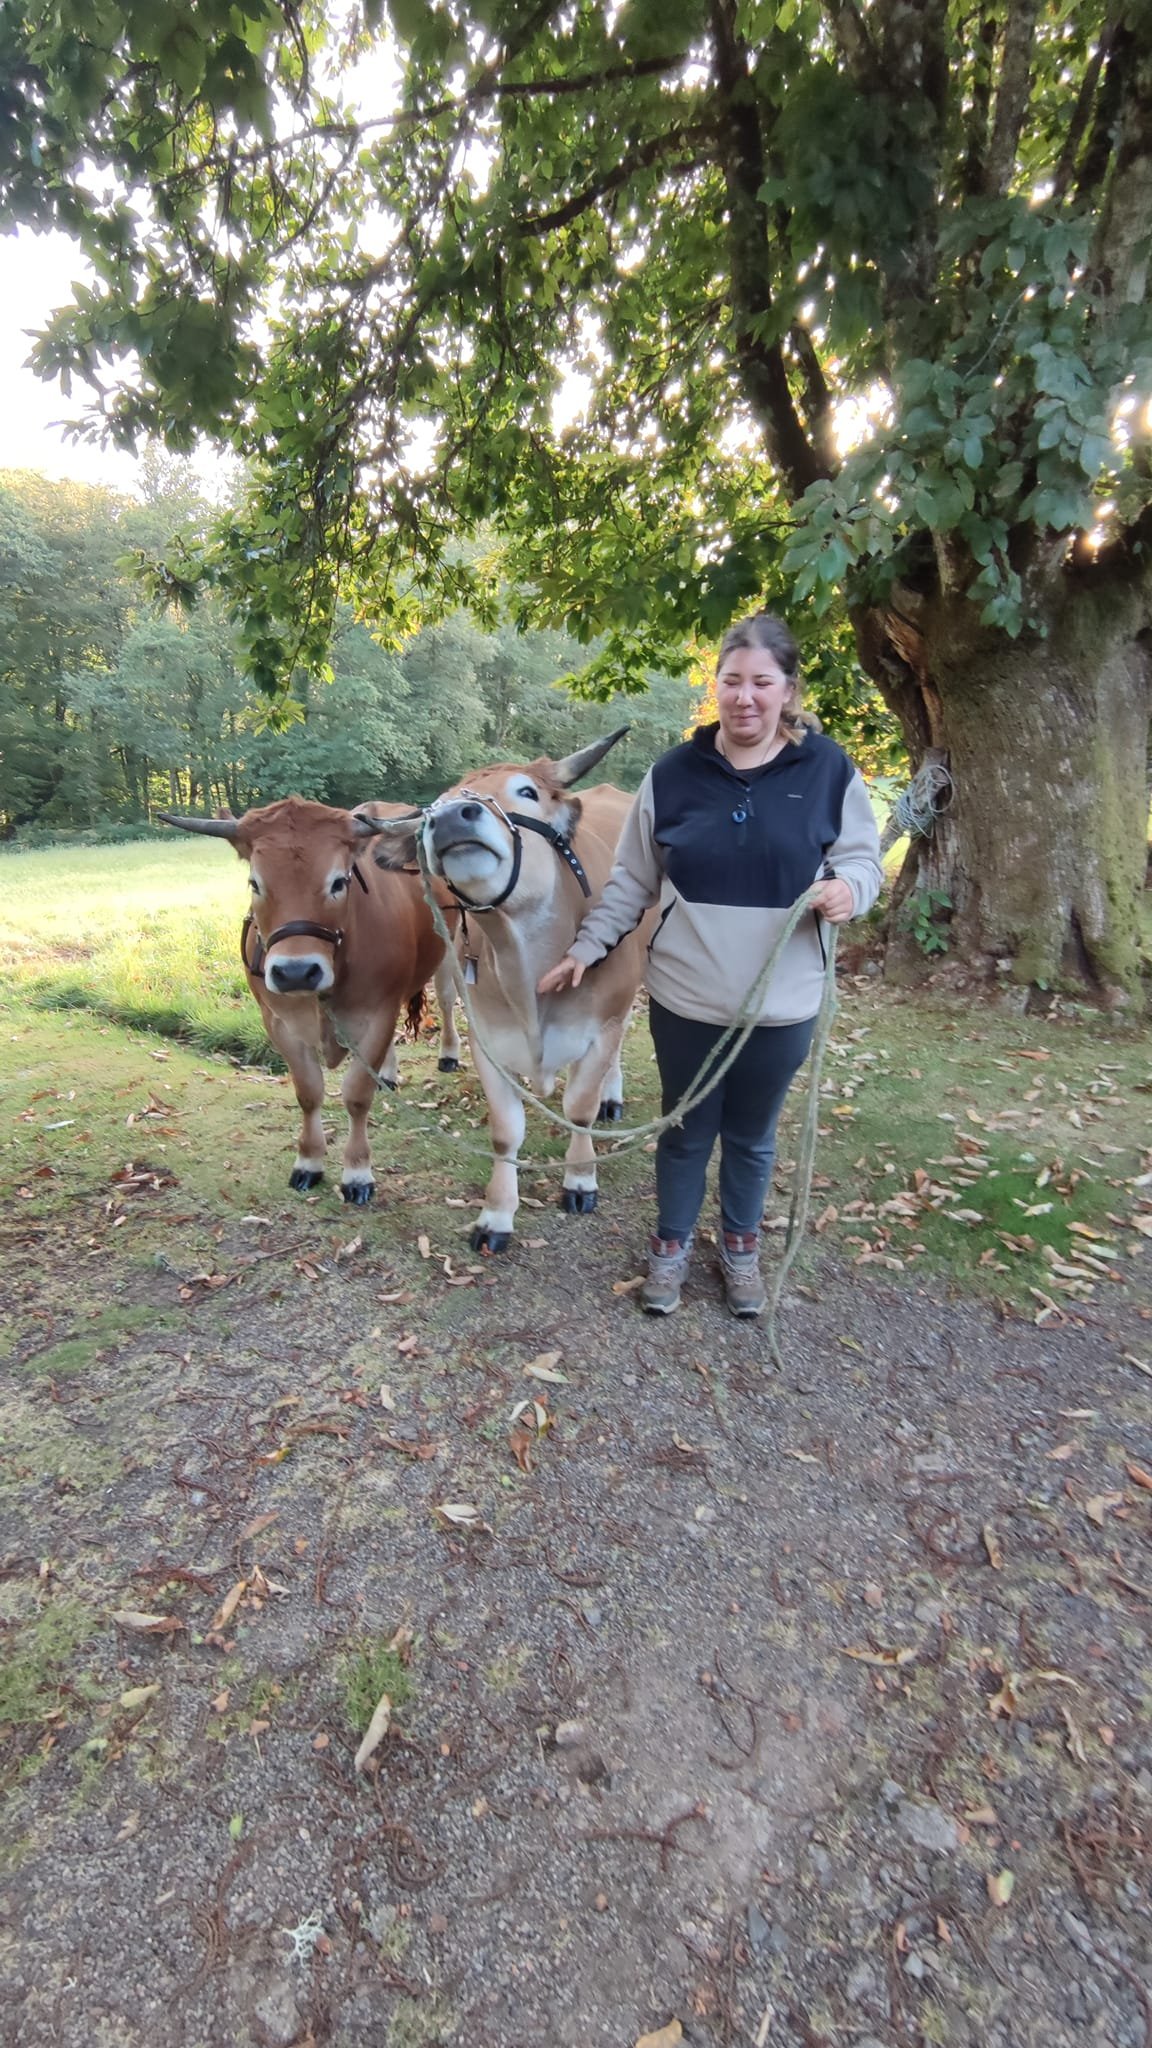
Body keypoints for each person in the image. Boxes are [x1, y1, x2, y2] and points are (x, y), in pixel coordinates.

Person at [537, 612, 883, 1317]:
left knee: (752, 1137)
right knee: (685, 1129)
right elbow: (631, 884)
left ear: (788, 690)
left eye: (762, 682)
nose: (744, 696)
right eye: (731, 680)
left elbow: (861, 860)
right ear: (715, 686)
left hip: (783, 1003)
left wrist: (851, 890)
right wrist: (583, 950)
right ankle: (669, 1248)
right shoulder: (672, 776)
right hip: (688, 1000)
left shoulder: (828, 770)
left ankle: (740, 1250)